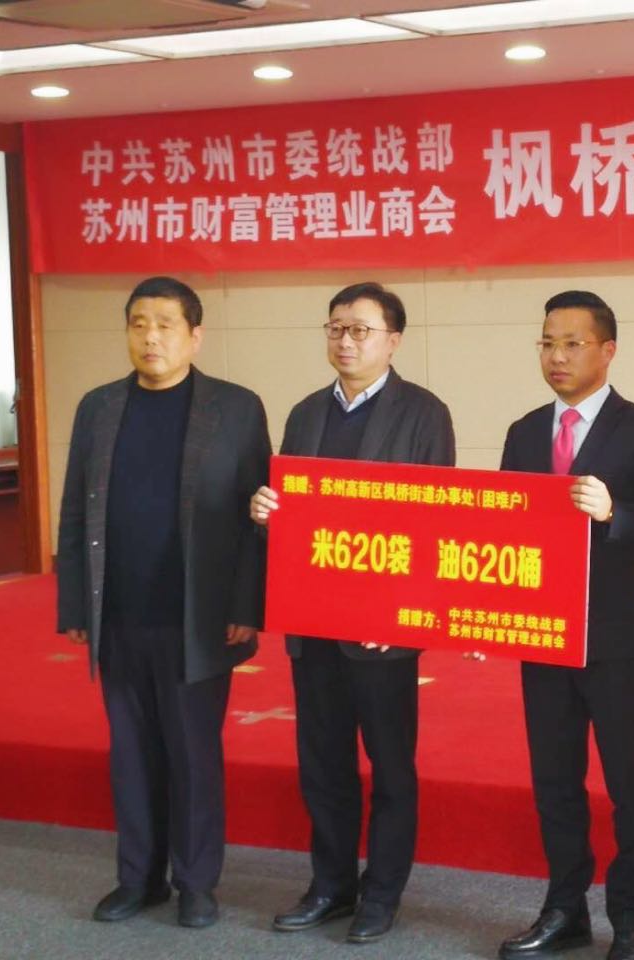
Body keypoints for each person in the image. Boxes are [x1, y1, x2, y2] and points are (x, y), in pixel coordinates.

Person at [56, 276, 270, 929]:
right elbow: (75, 509)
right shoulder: (98, 407)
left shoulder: (236, 408)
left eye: (165, 325)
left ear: (195, 336)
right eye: (138, 324)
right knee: (131, 754)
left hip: (197, 619)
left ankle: (196, 883)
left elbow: (255, 520)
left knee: (192, 755)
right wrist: (75, 605)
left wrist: (246, 606)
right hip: (119, 615)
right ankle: (139, 878)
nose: (150, 337)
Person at [251, 281, 455, 944]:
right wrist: (265, 513)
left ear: (393, 340)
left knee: (390, 766)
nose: (346, 341)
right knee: (323, 763)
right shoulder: (306, 413)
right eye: (336, 328)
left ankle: (382, 893)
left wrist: (397, 613)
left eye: (361, 330)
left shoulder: (423, 413)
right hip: (313, 621)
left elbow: (434, 523)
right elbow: (293, 515)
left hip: (382, 630)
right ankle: (331, 885)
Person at [497, 290, 634, 960]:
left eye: (572, 344)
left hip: (613, 641)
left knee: (629, 785)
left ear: (608, 350)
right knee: (554, 781)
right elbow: (503, 531)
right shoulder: (523, 432)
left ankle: (631, 921)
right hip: (540, 636)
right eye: (548, 343)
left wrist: (613, 513)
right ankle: (564, 908)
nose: (557, 356)